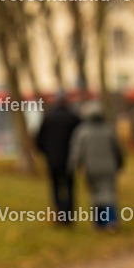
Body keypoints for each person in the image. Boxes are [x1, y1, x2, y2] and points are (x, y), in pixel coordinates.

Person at [69, 101, 124, 231]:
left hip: (91, 169)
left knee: (96, 195)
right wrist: (120, 163)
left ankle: (99, 222)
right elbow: (118, 150)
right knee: (108, 194)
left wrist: (73, 166)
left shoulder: (82, 132)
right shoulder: (108, 130)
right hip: (108, 168)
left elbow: (76, 151)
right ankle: (110, 221)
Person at [35, 94, 81, 224]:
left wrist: (46, 153)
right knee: (70, 188)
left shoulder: (48, 118)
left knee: (55, 188)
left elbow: (39, 139)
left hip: (53, 160)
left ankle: (59, 215)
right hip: (69, 160)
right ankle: (69, 216)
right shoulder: (74, 118)